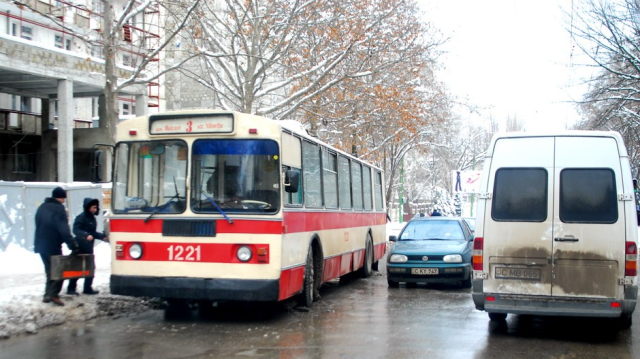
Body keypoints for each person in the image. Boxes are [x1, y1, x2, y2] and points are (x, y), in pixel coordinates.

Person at [34, 186, 79, 306]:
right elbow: (64, 229)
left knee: (50, 270)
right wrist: (73, 245)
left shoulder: (41, 207)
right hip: (52, 244)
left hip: (40, 245)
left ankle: (47, 295)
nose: (64, 201)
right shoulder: (59, 209)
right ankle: (53, 294)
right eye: (63, 199)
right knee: (60, 270)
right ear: (60, 198)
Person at [67, 198, 109, 295]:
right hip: (80, 247)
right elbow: (75, 230)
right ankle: (71, 289)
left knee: (90, 268)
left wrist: (102, 237)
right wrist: (85, 235)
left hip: (88, 247)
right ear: (88, 207)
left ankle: (87, 288)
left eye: (96, 207)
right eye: (93, 207)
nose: (95, 209)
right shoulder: (81, 217)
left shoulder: (92, 218)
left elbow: (93, 233)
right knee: (77, 268)